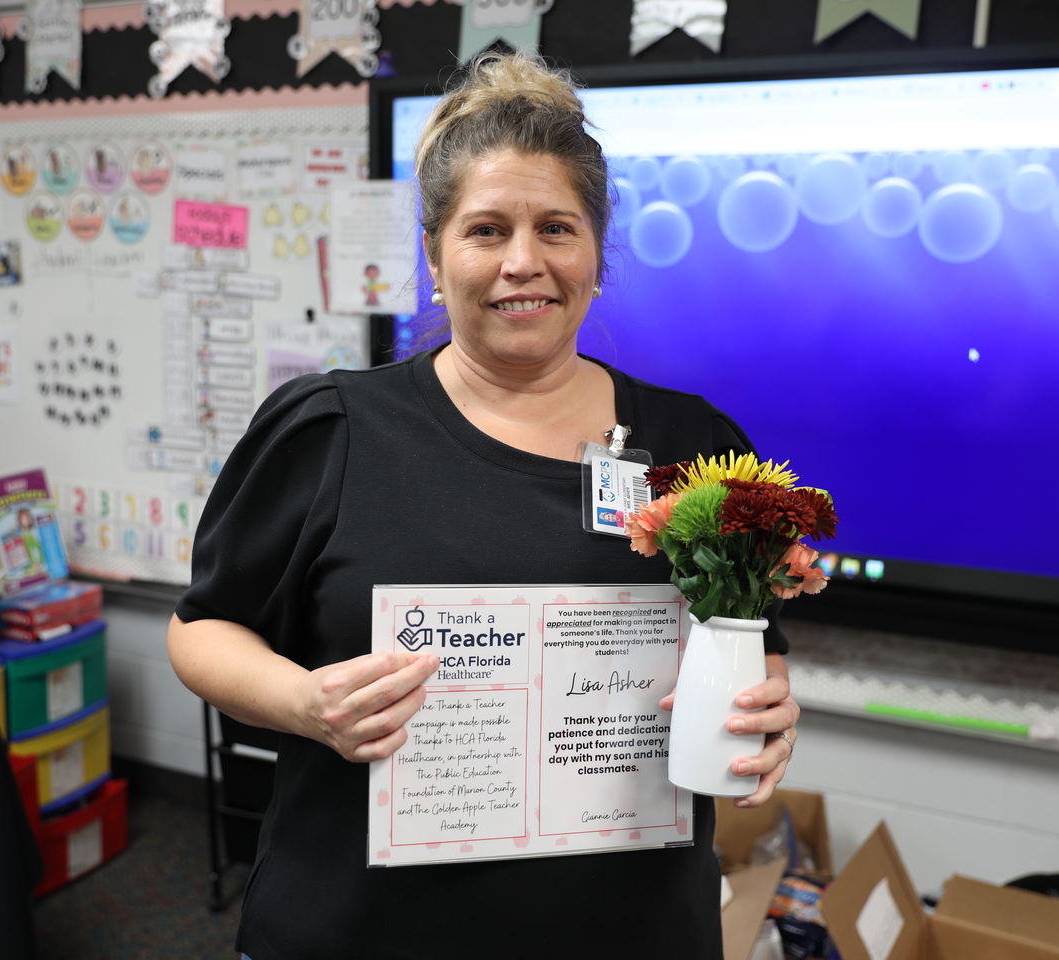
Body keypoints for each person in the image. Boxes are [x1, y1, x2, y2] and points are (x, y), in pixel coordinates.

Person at [168, 50, 801, 960]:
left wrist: (771, 710)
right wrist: (307, 704)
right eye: (485, 230)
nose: (521, 263)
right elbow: (201, 630)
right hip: (364, 929)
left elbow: (756, 651)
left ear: (595, 254)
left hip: (628, 930)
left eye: (555, 227)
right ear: (435, 254)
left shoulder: (699, 447)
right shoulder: (331, 428)